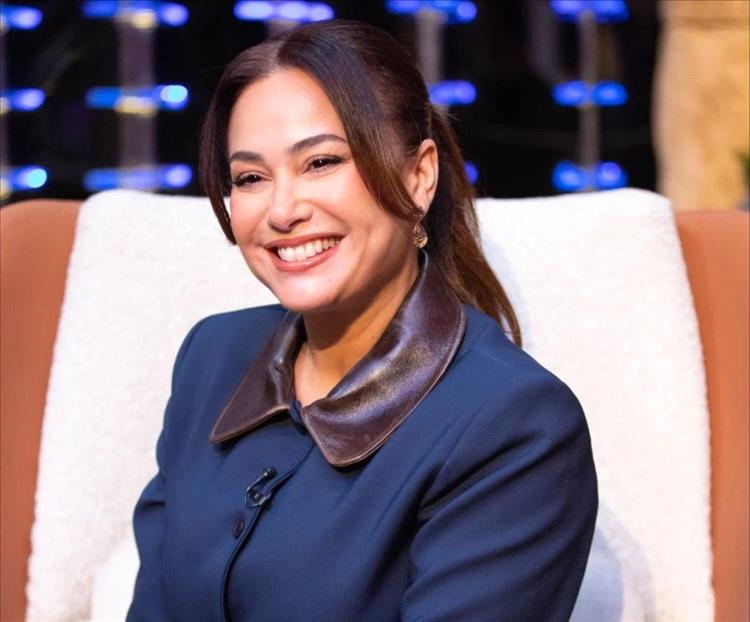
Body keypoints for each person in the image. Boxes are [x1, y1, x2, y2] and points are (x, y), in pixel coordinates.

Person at [127, 19, 597, 622]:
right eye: (250, 178)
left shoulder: (516, 426)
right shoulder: (212, 356)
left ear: (419, 176)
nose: (282, 210)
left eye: (321, 162)